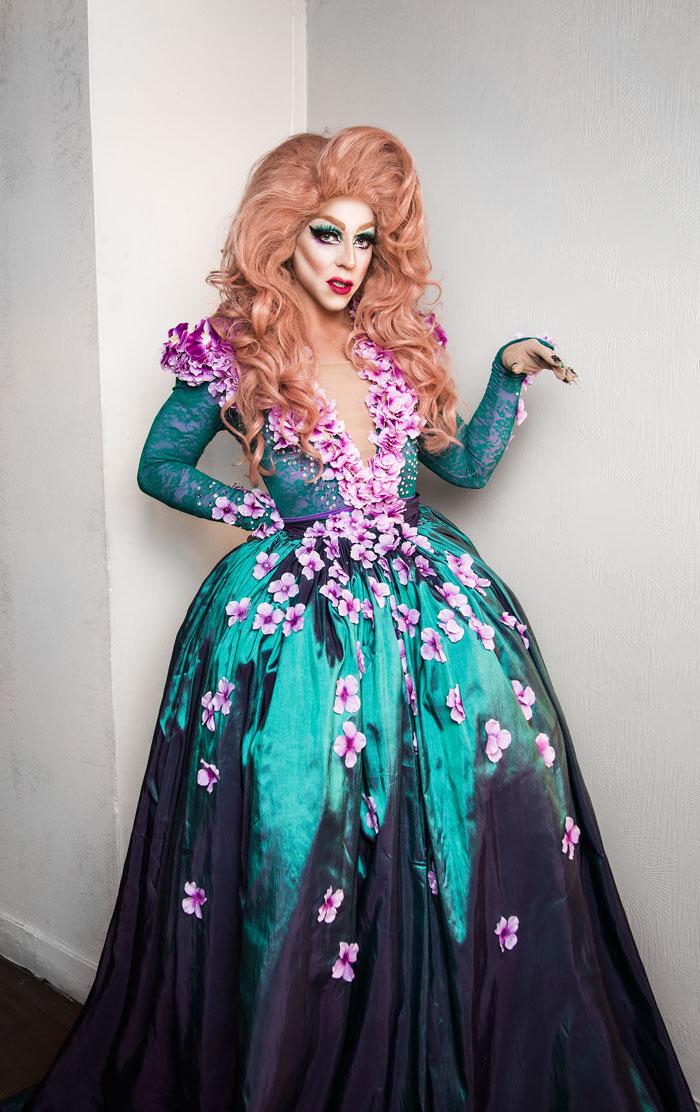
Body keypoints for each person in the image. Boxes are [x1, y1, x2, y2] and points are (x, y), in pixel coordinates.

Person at [2, 125, 694, 1112]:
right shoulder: (236, 347)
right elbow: (158, 465)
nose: (346, 259)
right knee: (299, 831)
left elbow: (464, 469)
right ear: (282, 235)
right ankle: (300, 1052)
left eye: (364, 239)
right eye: (326, 233)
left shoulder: (396, 347)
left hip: (426, 611)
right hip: (295, 630)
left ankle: (437, 1049)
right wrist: (261, 515)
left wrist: (505, 376)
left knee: (469, 816)